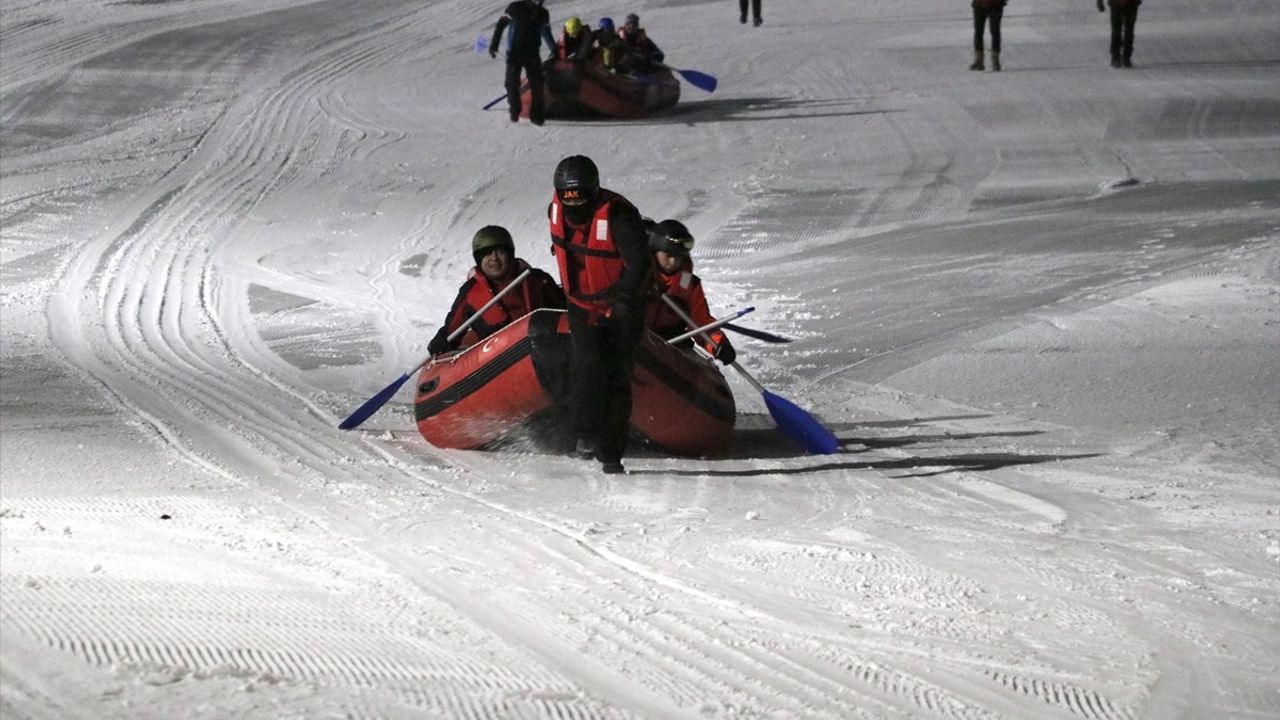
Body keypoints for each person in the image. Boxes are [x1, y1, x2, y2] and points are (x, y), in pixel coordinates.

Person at [547, 155, 651, 474]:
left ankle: (611, 453)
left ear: (592, 193)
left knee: (617, 378)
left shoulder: (619, 217)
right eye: (568, 198)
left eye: (579, 198)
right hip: (581, 305)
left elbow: (641, 263)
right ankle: (584, 432)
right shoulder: (555, 211)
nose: (573, 206)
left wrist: (623, 298)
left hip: (621, 306)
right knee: (587, 365)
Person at [427, 226, 564, 356]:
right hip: (498, 360)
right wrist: (441, 341)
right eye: (486, 254)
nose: (494, 258)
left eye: (500, 252)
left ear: (510, 255)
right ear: (479, 260)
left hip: (545, 350)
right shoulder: (470, 292)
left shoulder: (537, 279)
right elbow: (453, 327)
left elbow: (564, 309)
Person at [643, 219, 737, 366]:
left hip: (672, 342)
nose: (673, 262)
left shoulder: (688, 284)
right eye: (668, 256)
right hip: (638, 339)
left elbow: (700, 321)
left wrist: (719, 344)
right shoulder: (637, 275)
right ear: (655, 251)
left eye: (678, 256)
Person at [489, 0, 557, 125]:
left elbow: (546, 33)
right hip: (514, 53)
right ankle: (515, 110)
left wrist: (554, 50)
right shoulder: (515, 7)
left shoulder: (543, 13)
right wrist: (494, 44)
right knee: (511, 83)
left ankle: (537, 116)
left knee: (537, 85)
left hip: (532, 54)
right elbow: (501, 25)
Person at [1098, 0, 1140, 68]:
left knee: (1128, 30)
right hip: (1116, 3)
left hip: (1130, 3)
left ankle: (1126, 56)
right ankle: (1116, 56)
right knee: (1117, 30)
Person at [969, 0, 1007, 72]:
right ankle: (982, 61)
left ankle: (993, 61)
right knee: (980, 32)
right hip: (982, 4)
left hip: (994, 4)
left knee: (993, 31)